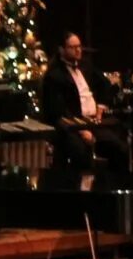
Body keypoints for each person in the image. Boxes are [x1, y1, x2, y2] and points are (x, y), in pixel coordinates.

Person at [39, 32, 127, 175]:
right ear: (62, 50)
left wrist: (100, 108)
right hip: (71, 126)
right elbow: (58, 110)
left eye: (79, 46)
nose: (78, 50)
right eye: (72, 47)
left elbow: (105, 84)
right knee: (81, 153)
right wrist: (81, 130)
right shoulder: (54, 75)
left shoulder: (86, 66)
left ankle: (113, 188)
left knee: (120, 148)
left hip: (93, 121)